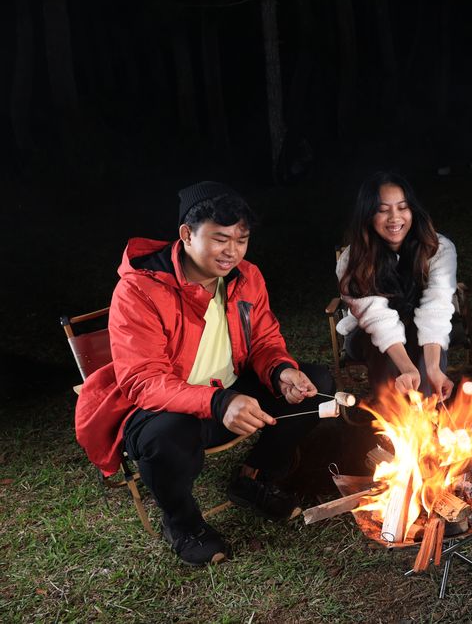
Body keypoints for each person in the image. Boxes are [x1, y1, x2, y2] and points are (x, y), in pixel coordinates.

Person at [75, 181, 334, 567]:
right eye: (220, 239)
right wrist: (218, 401)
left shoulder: (246, 277)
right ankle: (182, 523)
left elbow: (264, 340)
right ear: (186, 235)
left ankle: (253, 477)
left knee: (318, 388)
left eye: (241, 240)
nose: (232, 251)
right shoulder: (140, 290)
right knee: (165, 436)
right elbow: (143, 380)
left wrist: (281, 371)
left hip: (231, 395)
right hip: (166, 408)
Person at [336, 172, 457, 399]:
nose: (395, 217)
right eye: (383, 210)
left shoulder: (438, 249)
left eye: (402, 207)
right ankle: (392, 422)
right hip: (370, 335)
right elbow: (377, 320)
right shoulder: (353, 260)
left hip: (422, 330)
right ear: (368, 215)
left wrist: (432, 369)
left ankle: (427, 422)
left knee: (425, 352)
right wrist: (407, 368)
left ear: (413, 210)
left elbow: (436, 311)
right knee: (382, 350)